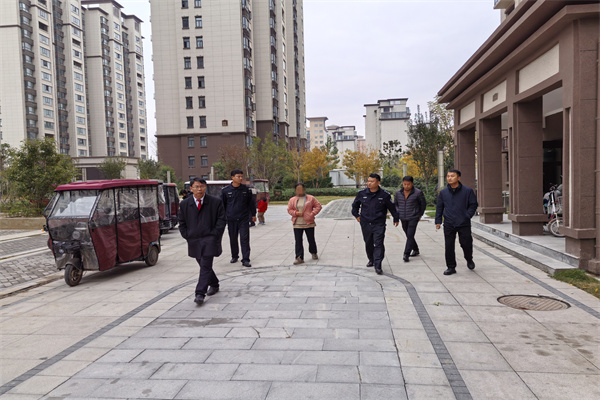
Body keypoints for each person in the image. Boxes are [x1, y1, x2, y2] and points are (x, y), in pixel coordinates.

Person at [178, 178, 226, 305]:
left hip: (210, 238)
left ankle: (200, 293)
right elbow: (181, 222)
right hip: (194, 239)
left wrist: (215, 234)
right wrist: (187, 235)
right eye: (197, 186)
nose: (200, 189)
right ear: (191, 189)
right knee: (203, 264)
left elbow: (222, 219)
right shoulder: (185, 204)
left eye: (202, 186)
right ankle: (214, 283)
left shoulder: (215, 202)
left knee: (205, 264)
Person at [352, 173, 399, 275]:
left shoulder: (385, 195)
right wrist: (356, 215)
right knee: (368, 243)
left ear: (378, 182)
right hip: (365, 223)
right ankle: (371, 259)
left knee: (378, 243)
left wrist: (396, 218)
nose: (369, 183)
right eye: (368, 181)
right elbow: (355, 206)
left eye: (372, 181)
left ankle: (378, 265)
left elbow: (392, 208)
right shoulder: (362, 193)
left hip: (379, 223)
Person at [435, 169, 478, 276]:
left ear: (458, 178)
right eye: (448, 176)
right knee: (449, 246)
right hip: (449, 223)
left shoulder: (468, 191)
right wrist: (438, 221)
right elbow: (439, 207)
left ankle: (469, 259)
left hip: (463, 223)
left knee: (466, 244)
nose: (449, 178)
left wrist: (467, 216)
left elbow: (473, 205)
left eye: (452, 176)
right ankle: (451, 267)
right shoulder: (443, 193)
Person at [221, 169, 256, 267]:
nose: (240, 178)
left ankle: (245, 259)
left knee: (244, 239)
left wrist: (253, 215)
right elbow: (222, 205)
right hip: (231, 218)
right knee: (233, 238)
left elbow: (251, 204)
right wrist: (222, 218)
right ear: (232, 177)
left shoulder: (246, 190)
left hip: (243, 218)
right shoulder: (225, 190)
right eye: (238, 176)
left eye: (241, 176)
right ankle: (234, 255)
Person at [287, 183, 322, 264]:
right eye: (298, 189)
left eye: (301, 189)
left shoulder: (310, 198)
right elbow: (289, 209)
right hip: (297, 223)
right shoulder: (292, 200)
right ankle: (299, 257)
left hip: (309, 223)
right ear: (295, 190)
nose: (300, 191)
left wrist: (312, 214)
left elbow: (318, 206)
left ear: (304, 189)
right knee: (298, 240)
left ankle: (313, 252)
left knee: (311, 239)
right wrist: (296, 213)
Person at [395, 176, 427, 262]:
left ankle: (406, 254)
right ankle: (416, 249)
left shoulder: (418, 193)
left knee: (410, 234)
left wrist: (419, 214)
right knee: (408, 235)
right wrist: (398, 212)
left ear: (412, 184)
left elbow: (423, 204)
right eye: (404, 184)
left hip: (413, 217)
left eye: (408, 184)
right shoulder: (398, 193)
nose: (406, 186)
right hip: (403, 217)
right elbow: (396, 204)